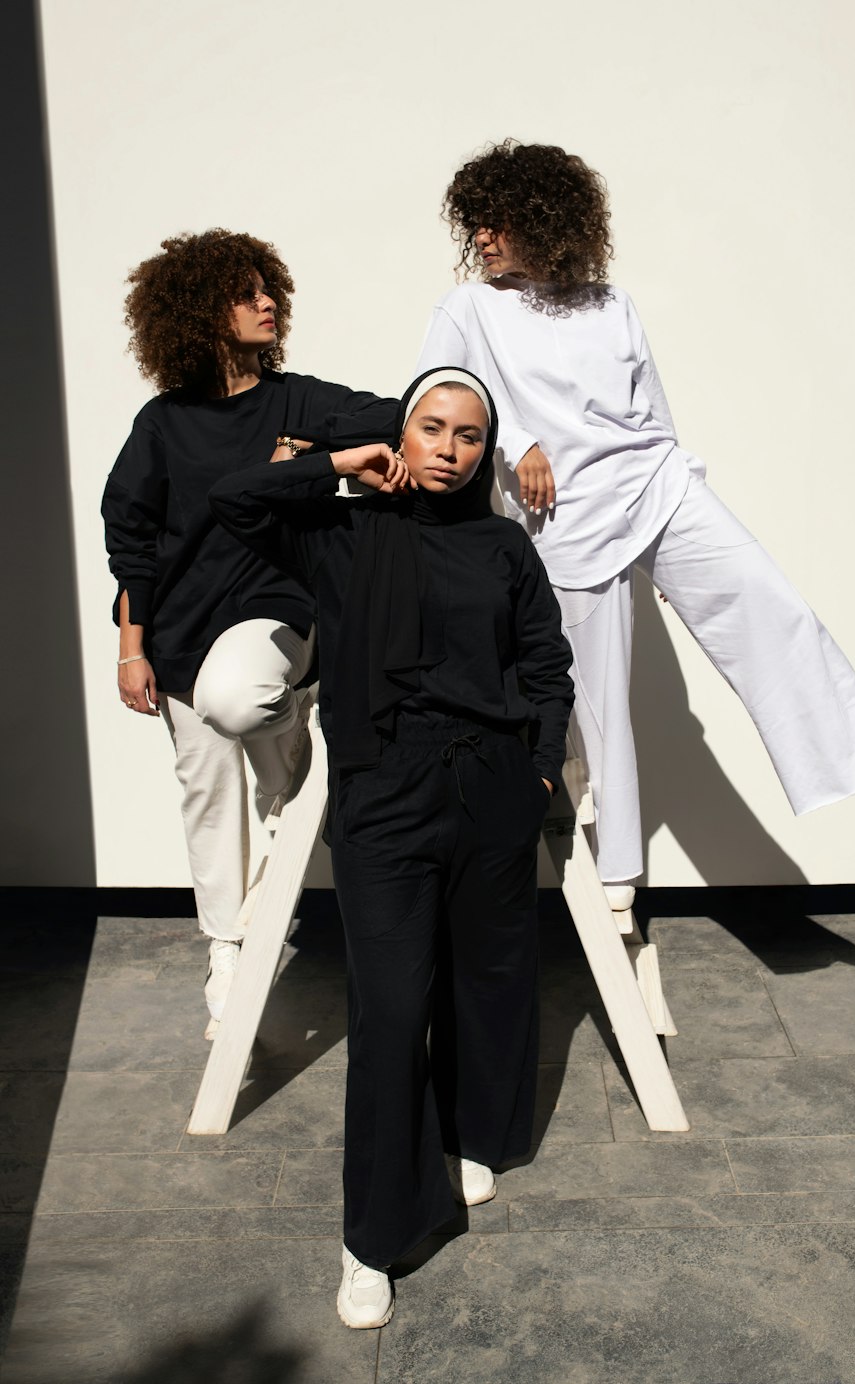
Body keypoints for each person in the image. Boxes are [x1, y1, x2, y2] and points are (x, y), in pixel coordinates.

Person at [416, 140, 855, 911]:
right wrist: (516, 444)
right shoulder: (471, 309)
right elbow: (431, 398)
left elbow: (654, 416)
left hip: (655, 484)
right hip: (565, 518)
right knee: (597, 698)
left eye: (498, 221)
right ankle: (618, 871)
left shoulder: (611, 304)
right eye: (474, 223)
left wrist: (684, 553)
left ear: (544, 221)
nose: (481, 237)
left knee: (770, 602)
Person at [209, 367, 573, 1328]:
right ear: (401, 435)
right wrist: (335, 463)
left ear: (484, 451)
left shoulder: (503, 547)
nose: (448, 447)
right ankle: (369, 1239)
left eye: (467, 435)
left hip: (491, 786)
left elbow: (545, 663)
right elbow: (231, 499)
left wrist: (536, 769)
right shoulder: (339, 532)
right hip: (387, 796)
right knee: (388, 1005)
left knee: (489, 978)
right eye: (429, 427)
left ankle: (467, 1135)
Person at [102, 229, 397, 1037]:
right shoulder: (161, 424)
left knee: (241, 705)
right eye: (246, 292)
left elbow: (397, 416)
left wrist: (317, 454)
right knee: (206, 792)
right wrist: (132, 649)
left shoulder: (297, 400)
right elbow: (131, 541)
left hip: (273, 606)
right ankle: (228, 946)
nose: (267, 302)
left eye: (270, 288)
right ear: (199, 312)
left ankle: (290, 733)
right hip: (176, 625)